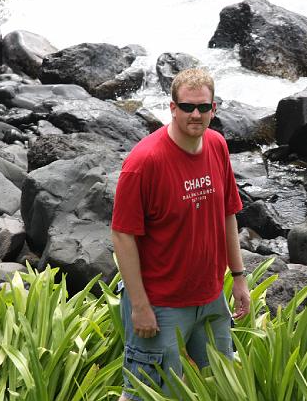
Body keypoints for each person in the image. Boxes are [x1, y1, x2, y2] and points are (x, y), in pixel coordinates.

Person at [111, 68, 250, 400]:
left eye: (204, 107)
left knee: (220, 382)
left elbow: (228, 214)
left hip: (210, 297)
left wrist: (239, 277)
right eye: (187, 107)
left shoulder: (217, 146)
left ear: (214, 108)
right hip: (161, 305)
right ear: (172, 108)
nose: (196, 114)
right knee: (146, 392)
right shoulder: (144, 163)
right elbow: (122, 236)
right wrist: (140, 306)